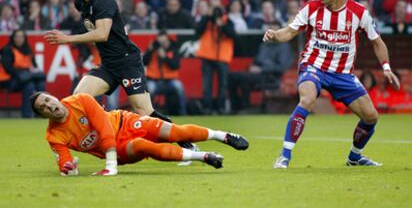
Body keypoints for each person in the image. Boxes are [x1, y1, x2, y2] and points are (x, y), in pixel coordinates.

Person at [263, 0, 400, 169]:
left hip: (342, 74)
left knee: (371, 116)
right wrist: (275, 35)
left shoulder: (359, 12)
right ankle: (284, 157)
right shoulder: (311, 7)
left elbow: (377, 42)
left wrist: (386, 67)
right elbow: (290, 32)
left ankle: (355, 157)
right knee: (307, 99)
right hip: (314, 66)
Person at [43, 0, 189, 146]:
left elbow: (102, 34)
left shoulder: (103, 0)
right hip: (109, 64)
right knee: (79, 96)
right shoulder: (81, 3)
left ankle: (186, 141)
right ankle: (104, 131)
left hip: (127, 62)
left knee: (144, 111)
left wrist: (68, 39)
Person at [30, 91, 249, 176]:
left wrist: (110, 167)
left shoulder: (81, 100)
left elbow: (104, 130)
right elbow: (64, 164)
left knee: (174, 131)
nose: (50, 106)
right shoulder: (54, 136)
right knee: (144, 147)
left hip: (126, 122)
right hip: (122, 150)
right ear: (43, 116)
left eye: (48, 100)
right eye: (43, 108)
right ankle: (204, 157)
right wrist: (68, 168)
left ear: (54, 96)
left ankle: (223, 136)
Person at [229, 21, 293, 113]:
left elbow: (282, 67)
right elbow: (256, 61)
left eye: (274, 30)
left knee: (241, 79)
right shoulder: (264, 45)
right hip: (257, 74)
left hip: (271, 77)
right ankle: (236, 108)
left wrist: (262, 69)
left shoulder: (284, 46)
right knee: (232, 76)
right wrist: (252, 67)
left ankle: (244, 108)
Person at [196, 6, 237, 114]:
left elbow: (233, 35)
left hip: (222, 57)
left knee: (223, 85)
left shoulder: (227, 21)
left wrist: (222, 26)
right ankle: (207, 108)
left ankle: (221, 108)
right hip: (207, 56)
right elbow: (197, 31)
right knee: (207, 85)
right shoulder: (207, 20)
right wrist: (206, 17)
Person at [1, 29, 46, 118]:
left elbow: (34, 66)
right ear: (13, 38)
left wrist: (30, 73)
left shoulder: (28, 50)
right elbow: (8, 68)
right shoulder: (7, 50)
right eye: (17, 36)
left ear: (24, 38)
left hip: (26, 78)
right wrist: (23, 73)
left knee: (40, 85)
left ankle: (39, 114)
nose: (19, 39)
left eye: (21, 36)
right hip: (11, 80)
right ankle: (26, 115)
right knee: (29, 86)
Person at [143, 30, 187, 115]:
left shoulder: (173, 49)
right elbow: (144, 62)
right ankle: (149, 113)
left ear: (168, 40)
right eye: (160, 41)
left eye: (164, 41)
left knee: (179, 86)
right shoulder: (153, 48)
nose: (162, 43)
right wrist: (150, 50)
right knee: (149, 89)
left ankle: (183, 112)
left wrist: (165, 57)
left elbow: (175, 65)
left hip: (169, 80)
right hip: (154, 80)